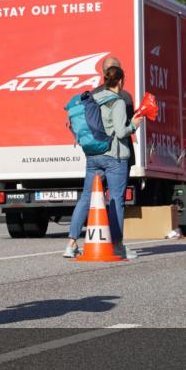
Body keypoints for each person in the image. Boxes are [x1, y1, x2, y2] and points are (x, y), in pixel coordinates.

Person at [64, 65, 145, 259]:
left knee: (86, 198)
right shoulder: (117, 102)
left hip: (93, 156)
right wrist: (134, 125)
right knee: (116, 200)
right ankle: (117, 246)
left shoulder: (93, 99)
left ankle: (71, 244)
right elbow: (121, 131)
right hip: (114, 157)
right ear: (120, 81)